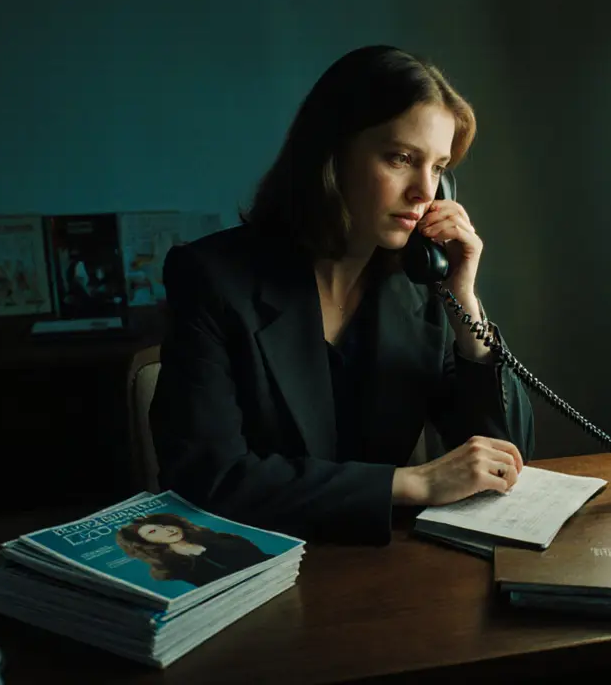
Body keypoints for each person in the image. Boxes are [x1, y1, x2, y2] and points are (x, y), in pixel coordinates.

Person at [149, 44, 536, 546]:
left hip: (383, 572)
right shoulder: (212, 278)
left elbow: (506, 456)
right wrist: (411, 482)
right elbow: (207, 476)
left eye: (438, 168)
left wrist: (467, 306)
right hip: (256, 569)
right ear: (330, 156)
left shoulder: (421, 292)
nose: (424, 191)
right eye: (401, 158)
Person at [115, 513, 271, 588]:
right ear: (145, 543)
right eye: (153, 532)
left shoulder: (218, 538)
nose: (167, 530)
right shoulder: (172, 570)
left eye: (163, 525)